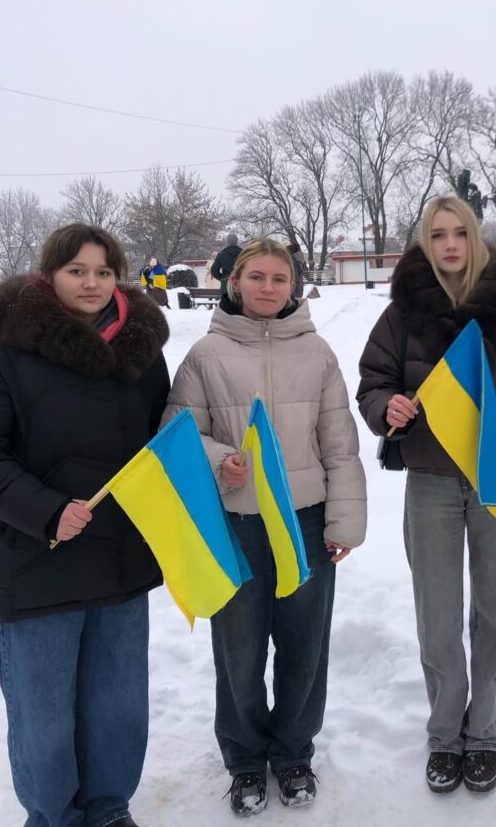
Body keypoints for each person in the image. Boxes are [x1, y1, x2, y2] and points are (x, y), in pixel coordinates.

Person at [162, 238, 366, 816]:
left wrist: (344, 521)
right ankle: (246, 758)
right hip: (239, 524)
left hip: (305, 522)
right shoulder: (206, 355)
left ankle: (294, 751)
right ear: (235, 283)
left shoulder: (318, 353)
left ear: (293, 285)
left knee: (305, 644)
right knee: (240, 647)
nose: (268, 287)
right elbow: (178, 434)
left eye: (280, 278)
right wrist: (218, 460)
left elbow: (339, 443)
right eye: (257, 276)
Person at [356, 195, 496, 796]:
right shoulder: (403, 314)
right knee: (437, 617)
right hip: (431, 481)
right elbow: (373, 382)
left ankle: (484, 730)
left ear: (475, 236)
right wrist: (387, 407)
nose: (450, 245)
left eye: (459, 232)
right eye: (437, 234)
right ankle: (445, 733)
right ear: (426, 241)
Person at [0, 223, 170, 827]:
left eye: (103, 271)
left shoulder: (140, 351)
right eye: (77, 271)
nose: (91, 283)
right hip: (35, 560)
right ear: (50, 275)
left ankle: (109, 808)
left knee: (117, 704)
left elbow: (162, 440)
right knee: (43, 715)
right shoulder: (9, 346)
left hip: (121, 558)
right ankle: (54, 817)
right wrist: (45, 511)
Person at [211, 232, 242, 297]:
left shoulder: (221, 255)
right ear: (237, 241)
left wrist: (223, 278)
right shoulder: (244, 254)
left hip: (225, 287)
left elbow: (213, 271)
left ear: (228, 242)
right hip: (241, 285)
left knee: (226, 303)